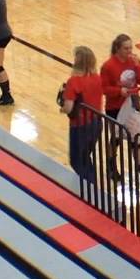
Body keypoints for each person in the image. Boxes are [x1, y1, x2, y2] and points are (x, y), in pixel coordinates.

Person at [101, 34, 140, 187]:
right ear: (117, 48)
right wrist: (119, 91)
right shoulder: (108, 66)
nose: (130, 51)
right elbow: (104, 88)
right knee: (116, 139)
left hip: (132, 105)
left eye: (131, 47)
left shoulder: (134, 61)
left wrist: (138, 66)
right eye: (126, 48)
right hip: (115, 108)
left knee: (135, 139)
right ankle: (111, 167)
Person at [61, 45, 103, 183]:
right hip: (96, 123)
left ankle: (89, 187)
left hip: (80, 126)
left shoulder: (73, 82)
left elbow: (68, 108)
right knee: (85, 157)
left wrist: (62, 108)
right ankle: (92, 184)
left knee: (77, 160)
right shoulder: (97, 78)